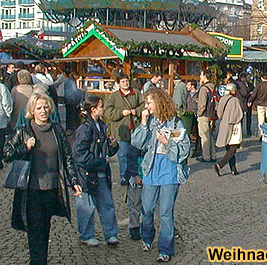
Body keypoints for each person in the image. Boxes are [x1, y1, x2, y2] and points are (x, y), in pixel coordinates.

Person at [3, 92, 82, 265]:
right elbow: (7, 154)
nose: (43, 111)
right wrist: (25, 147)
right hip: (32, 190)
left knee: (45, 229)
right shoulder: (24, 131)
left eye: (46, 107)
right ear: (32, 110)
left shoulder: (57, 129)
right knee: (36, 230)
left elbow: (67, 157)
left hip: (52, 189)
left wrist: (74, 182)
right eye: (39, 108)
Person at [132, 88, 190, 263]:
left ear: (159, 102)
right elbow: (136, 142)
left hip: (170, 173)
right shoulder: (149, 122)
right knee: (147, 208)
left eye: (149, 102)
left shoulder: (176, 123)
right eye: (146, 103)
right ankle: (147, 237)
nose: (147, 106)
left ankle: (165, 249)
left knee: (165, 213)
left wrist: (167, 142)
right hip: (151, 171)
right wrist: (142, 123)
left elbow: (185, 150)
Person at [73, 95, 120, 247]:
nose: (104, 108)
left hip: (101, 173)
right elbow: (79, 154)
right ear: (93, 110)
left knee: (107, 204)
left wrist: (113, 146)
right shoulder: (85, 129)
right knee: (86, 207)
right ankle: (86, 235)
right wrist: (99, 162)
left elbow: (106, 150)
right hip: (87, 174)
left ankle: (111, 234)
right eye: (101, 106)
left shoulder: (102, 126)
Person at [104, 74, 144, 186]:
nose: (125, 83)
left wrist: (137, 111)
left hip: (135, 129)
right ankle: (124, 176)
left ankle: (135, 174)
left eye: (127, 81)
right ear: (119, 83)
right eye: (123, 81)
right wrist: (121, 113)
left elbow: (144, 105)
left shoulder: (136, 93)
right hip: (121, 130)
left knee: (135, 153)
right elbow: (108, 112)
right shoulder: (113, 96)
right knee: (123, 154)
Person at [213, 83, 243, 176]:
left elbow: (219, 114)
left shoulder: (222, 99)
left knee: (229, 148)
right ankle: (219, 165)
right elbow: (239, 115)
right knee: (233, 148)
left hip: (224, 125)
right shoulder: (235, 100)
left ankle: (233, 169)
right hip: (234, 126)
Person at [197, 69, 216, 162]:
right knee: (210, 135)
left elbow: (202, 105)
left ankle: (206, 156)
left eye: (201, 75)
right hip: (212, 114)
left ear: (205, 76)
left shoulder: (204, 89)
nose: (200, 77)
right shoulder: (213, 87)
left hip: (204, 115)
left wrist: (199, 114)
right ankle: (213, 155)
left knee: (204, 135)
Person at [234, 72, 252, 136]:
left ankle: (242, 131)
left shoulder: (236, 83)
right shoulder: (241, 84)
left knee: (241, 117)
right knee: (241, 117)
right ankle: (242, 131)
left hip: (240, 102)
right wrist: (249, 93)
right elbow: (244, 93)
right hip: (243, 102)